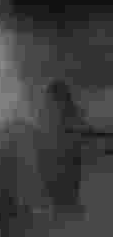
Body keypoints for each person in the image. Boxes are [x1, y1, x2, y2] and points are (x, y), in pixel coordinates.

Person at [38, 80, 89, 218]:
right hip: (56, 172)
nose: (49, 103)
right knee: (61, 205)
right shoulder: (48, 116)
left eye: (51, 99)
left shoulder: (71, 117)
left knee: (65, 204)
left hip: (65, 171)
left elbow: (80, 138)